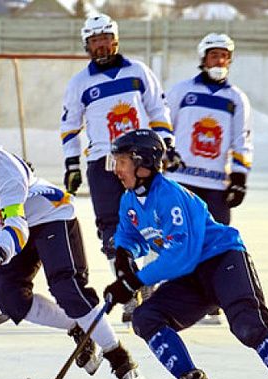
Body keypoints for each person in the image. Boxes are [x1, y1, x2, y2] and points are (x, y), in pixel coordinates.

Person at [103, 129, 268, 379]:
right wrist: (124, 259)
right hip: (193, 276)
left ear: (143, 162)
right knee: (147, 316)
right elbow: (130, 235)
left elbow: (181, 255)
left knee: (249, 325)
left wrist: (133, 281)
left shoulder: (171, 196)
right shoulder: (129, 200)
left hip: (223, 260)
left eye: (122, 161)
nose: (116, 170)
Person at [0, 112, 140, 379]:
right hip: (11, 226)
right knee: (8, 295)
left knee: (66, 288)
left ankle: (116, 353)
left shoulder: (8, 174)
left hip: (50, 217)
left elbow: (18, 226)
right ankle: (78, 326)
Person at [60, 14, 183, 323]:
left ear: (115, 40)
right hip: (103, 163)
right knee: (112, 229)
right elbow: (70, 127)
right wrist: (72, 163)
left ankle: (151, 285)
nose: (100, 45)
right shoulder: (79, 82)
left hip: (141, 158)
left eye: (105, 39)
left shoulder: (138, 71)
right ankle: (129, 291)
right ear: (86, 45)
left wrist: (166, 143)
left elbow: (158, 109)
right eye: (94, 41)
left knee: (154, 221)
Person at [165, 33, 253, 324]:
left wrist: (240, 176)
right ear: (203, 59)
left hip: (215, 183)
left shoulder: (236, 99)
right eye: (214, 55)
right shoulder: (181, 91)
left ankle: (213, 297)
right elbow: (164, 127)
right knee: (174, 236)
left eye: (224, 55)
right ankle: (169, 292)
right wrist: (165, 154)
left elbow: (242, 139)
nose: (220, 60)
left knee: (215, 242)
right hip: (182, 179)